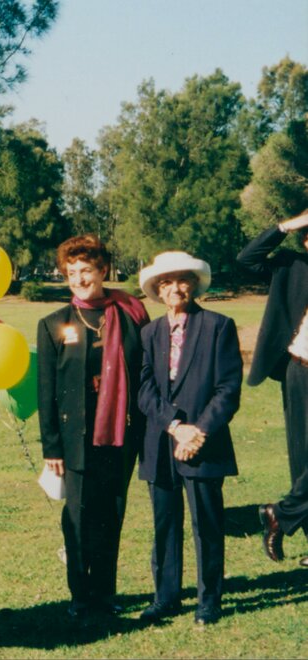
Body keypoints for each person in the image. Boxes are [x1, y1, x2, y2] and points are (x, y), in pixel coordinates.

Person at [37, 234, 149, 619]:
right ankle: (80, 596)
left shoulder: (132, 314)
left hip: (121, 435)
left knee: (111, 514)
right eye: (72, 272)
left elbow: (144, 374)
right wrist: (51, 447)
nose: (79, 279)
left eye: (86, 270)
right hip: (75, 440)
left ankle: (105, 593)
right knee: (79, 518)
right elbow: (46, 390)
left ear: (103, 270)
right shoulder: (54, 324)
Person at [136, 252, 242, 626]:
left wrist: (197, 431)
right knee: (165, 524)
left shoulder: (218, 326)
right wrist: (174, 426)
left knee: (207, 524)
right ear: (157, 290)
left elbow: (228, 389)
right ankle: (165, 598)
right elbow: (144, 388)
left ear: (194, 284)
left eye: (181, 280)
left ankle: (208, 600)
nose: (174, 288)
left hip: (204, 445)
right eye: (165, 283)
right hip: (161, 445)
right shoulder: (149, 333)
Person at [236, 211, 308, 567]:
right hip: (301, 372)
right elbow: (246, 259)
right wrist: (286, 226)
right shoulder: (291, 267)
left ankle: (280, 513)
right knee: (302, 458)